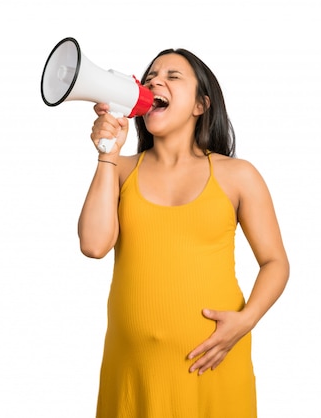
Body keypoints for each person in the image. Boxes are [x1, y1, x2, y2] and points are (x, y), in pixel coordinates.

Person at [78, 47, 289, 418]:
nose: (155, 80)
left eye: (173, 76)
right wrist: (107, 153)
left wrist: (246, 320)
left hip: (213, 368)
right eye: (150, 77)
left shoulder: (238, 175)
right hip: (133, 372)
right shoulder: (121, 170)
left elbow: (275, 263)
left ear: (201, 105)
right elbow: (94, 245)